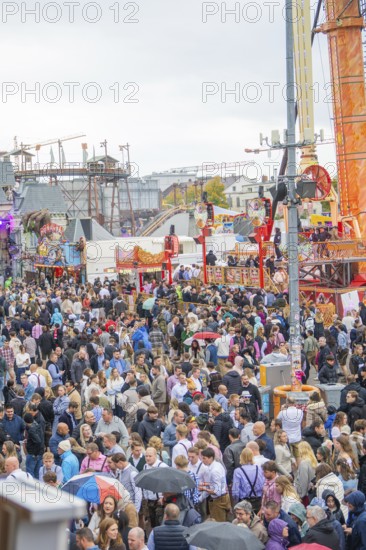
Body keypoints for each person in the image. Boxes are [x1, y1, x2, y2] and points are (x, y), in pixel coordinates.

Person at [198, 447, 231, 522]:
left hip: (218, 500)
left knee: (218, 523)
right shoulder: (218, 465)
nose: (202, 461)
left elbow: (217, 491)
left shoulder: (214, 471)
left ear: (211, 458)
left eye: (204, 458)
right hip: (223, 498)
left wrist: (203, 488)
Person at [232, 448, 265, 512]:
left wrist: (236, 502)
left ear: (241, 457)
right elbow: (263, 484)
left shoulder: (238, 471)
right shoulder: (259, 468)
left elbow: (235, 491)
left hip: (244, 502)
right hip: (258, 501)